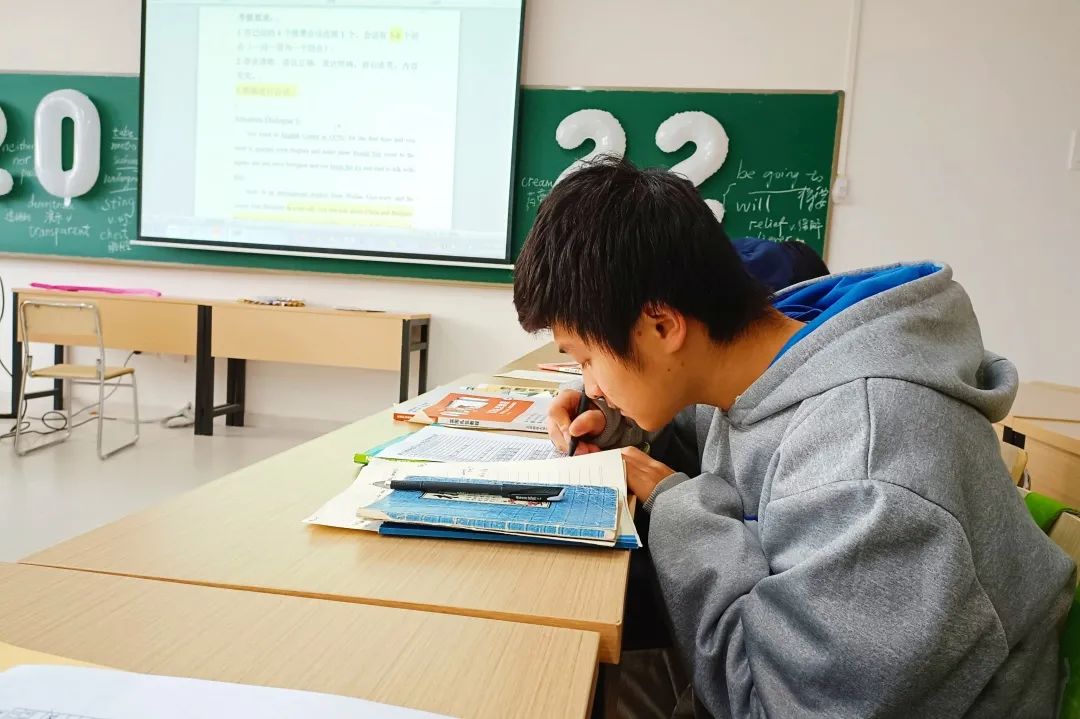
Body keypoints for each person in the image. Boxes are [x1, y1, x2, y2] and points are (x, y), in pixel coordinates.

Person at [512, 157, 1075, 718]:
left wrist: (677, 505)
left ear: (662, 325)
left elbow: (776, 706)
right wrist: (618, 422)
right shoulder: (773, 355)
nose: (589, 384)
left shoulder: (867, 465)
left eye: (586, 359)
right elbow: (716, 435)